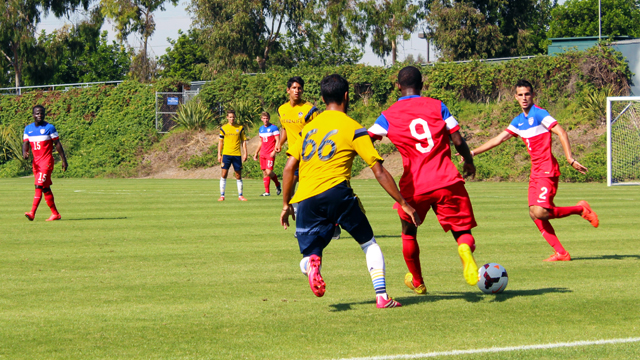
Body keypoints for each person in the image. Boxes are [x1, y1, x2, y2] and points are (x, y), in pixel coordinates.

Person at [280, 74, 421, 308]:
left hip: (305, 197)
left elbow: (288, 169)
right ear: (346, 96)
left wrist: (286, 205)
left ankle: (312, 264)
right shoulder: (354, 128)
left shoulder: (308, 129)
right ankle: (382, 296)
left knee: (309, 255)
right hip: (337, 193)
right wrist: (403, 202)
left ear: (323, 99)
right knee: (369, 244)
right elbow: (379, 171)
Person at [368, 66, 480, 294]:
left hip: (414, 186)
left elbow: (366, 139)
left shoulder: (388, 115)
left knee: (408, 233)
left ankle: (417, 281)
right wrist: (468, 161)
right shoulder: (437, 106)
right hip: (447, 180)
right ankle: (465, 250)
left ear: (398, 86)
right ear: (422, 84)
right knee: (462, 232)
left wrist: (374, 160)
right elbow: (457, 139)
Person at [469, 79, 599, 262]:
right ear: (515, 97)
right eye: (520, 95)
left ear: (533, 95)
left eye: (527, 94)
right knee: (534, 214)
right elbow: (498, 139)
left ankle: (580, 209)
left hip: (547, 169)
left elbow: (561, 132)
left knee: (540, 212)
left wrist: (570, 158)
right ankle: (561, 253)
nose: (524, 98)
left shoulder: (539, 114)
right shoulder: (518, 121)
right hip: (535, 172)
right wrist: (472, 152)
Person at [23, 105, 68, 221]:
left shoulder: (50, 128)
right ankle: (55, 214)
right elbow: (26, 143)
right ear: (33, 115)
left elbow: (57, 144)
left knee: (38, 186)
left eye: (42, 113)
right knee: (45, 188)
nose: (40, 115)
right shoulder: (28, 129)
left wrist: (64, 159)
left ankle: (32, 212)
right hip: (36, 164)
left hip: (46, 162)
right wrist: (25, 153)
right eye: (37, 113)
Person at [217, 110, 248, 201]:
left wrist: (245, 153)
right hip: (226, 154)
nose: (232, 119)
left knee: (238, 175)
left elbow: (244, 141)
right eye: (230, 117)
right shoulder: (223, 128)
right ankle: (222, 195)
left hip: (237, 154)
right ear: (227, 118)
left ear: (235, 117)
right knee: (224, 174)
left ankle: (240, 196)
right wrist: (219, 154)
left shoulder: (240, 128)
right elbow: (220, 142)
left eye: (233, 117)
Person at [253, 112, 282, 196]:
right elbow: (260, 141)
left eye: (267, 118)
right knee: (264, 172)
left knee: (269, 172)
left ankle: (277, 184)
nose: (265, 120)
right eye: (264, 118)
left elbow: (278, 140)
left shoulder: (273, 128)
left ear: (269, 119)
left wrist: (274, 151)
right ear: (261, 119)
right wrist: (256, 152)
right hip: (262, 153)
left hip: (270, 153)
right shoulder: (261, 129)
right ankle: (267, 192)